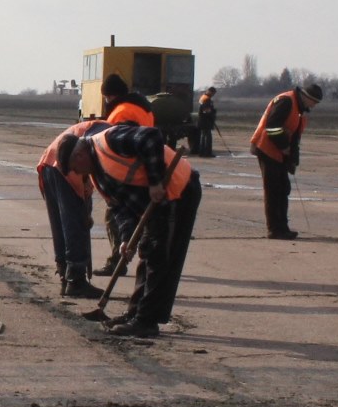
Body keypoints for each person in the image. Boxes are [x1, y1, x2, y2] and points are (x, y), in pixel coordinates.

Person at [73, 121, 201, 338]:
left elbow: (151, 136)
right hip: (158, 205)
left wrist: (155, 181)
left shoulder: (109, 141)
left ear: (80, 155)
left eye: (74, 167)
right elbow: (120, 208)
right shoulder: (99, 175)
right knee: (148, 253)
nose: (76, 172)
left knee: (159, 258)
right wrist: (126, 239)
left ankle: (147, 321)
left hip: (178, 191)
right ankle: (136, 314)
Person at [37, 119, 114, 298]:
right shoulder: (109, 134)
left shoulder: (102, 128)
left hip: (50, 162)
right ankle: (76, 281)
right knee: (75, 224)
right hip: (64, 163)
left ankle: (66, 276)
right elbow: (91, 158)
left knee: (63, 225)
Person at [250, 82, 322, 240]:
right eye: (314, 102)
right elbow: (272, 127)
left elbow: (294, 137)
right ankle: (275, 229)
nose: (314, 106)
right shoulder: (286, 101)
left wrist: (292, 160)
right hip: (267, 149)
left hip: (279, 153)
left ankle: (282, 227)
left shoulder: (299, 109)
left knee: (283, 188)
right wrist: (283, 147)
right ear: (306, 97)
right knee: (273, 190)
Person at [194, 88, 218, 157]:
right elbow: (207, 111)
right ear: (210, 92)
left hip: (202, 120)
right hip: (206, 121)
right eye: (213, 93)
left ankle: (202, 152)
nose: (213, 95)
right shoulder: (207, 99)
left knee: (203, 136)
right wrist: (212, 115)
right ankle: (207, 153)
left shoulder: (203, 97)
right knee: (207, 137)